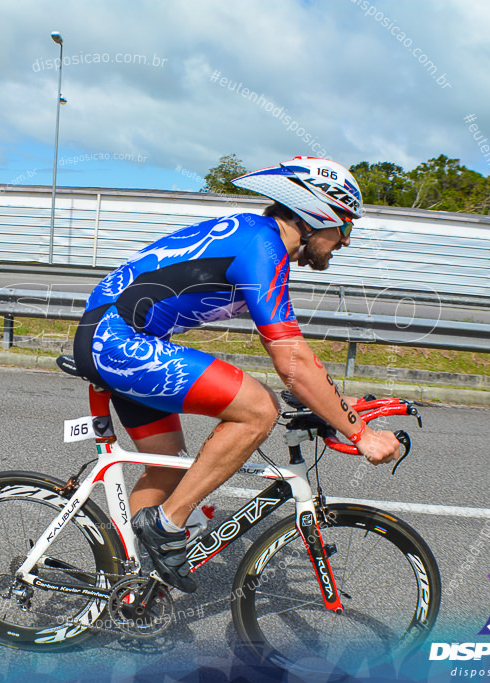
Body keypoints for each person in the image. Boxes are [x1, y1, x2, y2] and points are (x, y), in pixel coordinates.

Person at [72, 156, 401, 592]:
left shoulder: (259, 242)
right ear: (319, 211)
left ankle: (126, 587)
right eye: (347, 227)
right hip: (116, 339)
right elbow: (293, 363)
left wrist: (341, 410)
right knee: (257, 409)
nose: (344, 242)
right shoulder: (260, 246)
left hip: (119, 338)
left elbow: (294, 353)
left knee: (169, 471)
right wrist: (359, 433)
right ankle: (167, 525)